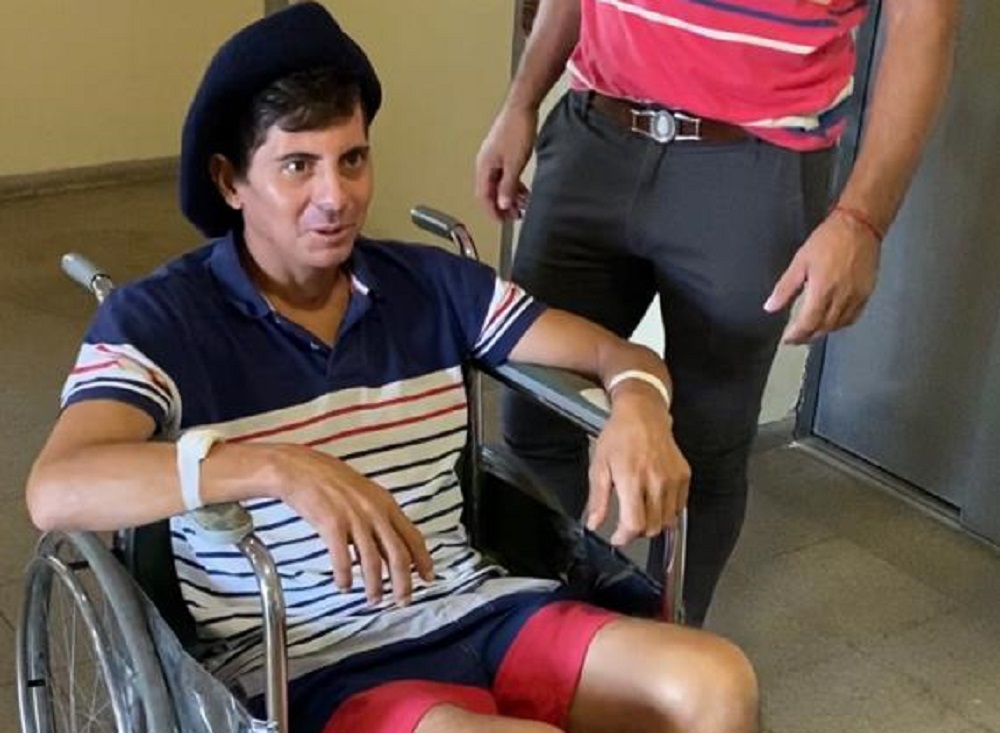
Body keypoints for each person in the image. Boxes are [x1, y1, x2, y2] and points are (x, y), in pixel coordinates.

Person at [25, 5, 758, 733]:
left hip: (480, 608)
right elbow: (55, 490)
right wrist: (275, 468)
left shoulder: (432, 287)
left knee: (716, 682)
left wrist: (639, 406)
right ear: (229, 181)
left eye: (352, 159)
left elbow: (613, 353)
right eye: (298, 166)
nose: (335, 198)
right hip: (316, 662)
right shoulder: (162, 319)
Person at [475, 0, 960, 627]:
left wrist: (861, 220)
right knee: (534, 413)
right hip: (594, 133)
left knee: (705, 449)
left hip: (753, 163)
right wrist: (520, 101)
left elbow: (924, 23)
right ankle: (558, 625)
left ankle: (666, 645)